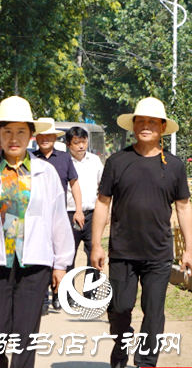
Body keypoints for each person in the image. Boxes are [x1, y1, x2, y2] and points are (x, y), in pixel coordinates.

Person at [0, 96, 74, 368]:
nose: (14, 138)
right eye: (7, 131)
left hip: (34, 264)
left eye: (21, 131)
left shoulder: (45, 173)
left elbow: (58, 219)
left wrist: (61, 265)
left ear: (31, 135)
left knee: (26, 335)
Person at [91, 97, 192, 368]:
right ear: (133, 126)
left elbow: (183, 208)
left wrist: (190, 250)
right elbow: (102, 203)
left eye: (152, 122)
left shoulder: (174, 165)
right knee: (120, 308)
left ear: (162, 127)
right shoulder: (117, 161)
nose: (146, 126)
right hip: (123, 250)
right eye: (141, 121)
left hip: (159, 253)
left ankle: (146, 362)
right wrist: (95, 245)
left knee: (154, 312)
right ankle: (121, 347)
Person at [33, 117, 84, 312]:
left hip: (59, 217)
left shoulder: (64, 158)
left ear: (55, 137)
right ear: (36, 138)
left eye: (49, 135)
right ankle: (43, 298)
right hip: (36, 218)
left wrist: (78, 209)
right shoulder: (31, 158)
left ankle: (58, 294)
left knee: (61, 257)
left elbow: (74, 185)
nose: (45, 139)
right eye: (41, 135)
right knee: (41, 257)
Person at [65, 126, 103, 300]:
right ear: (68, 144)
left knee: (93, 253)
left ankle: (90, 293)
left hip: (92, 214)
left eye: (83, 142)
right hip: (69, 214)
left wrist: (106, 212)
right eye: (76, 142)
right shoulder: (65, 162)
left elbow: (103, 187)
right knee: (68, 255)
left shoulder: (95, 160)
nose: (81, 146)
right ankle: (69, 294)